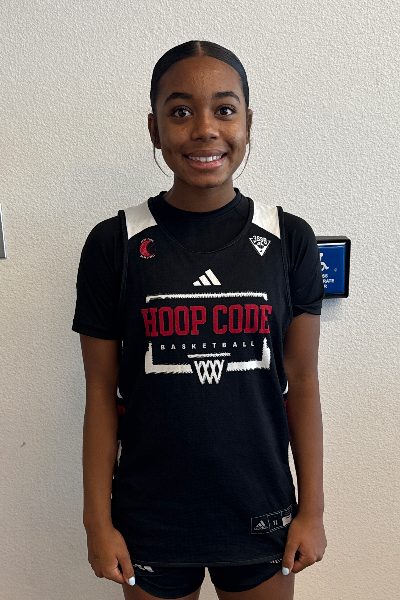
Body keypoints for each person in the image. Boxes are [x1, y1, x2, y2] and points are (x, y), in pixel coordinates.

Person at [72, 40, 327, 600]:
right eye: (181, 111)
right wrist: (97, 523)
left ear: (248, 123)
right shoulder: (114, 243)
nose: (205, 129)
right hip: (150, 518)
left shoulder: (289, 239)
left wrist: (312, 511)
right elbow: (100, 391)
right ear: (154, 128)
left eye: (224, 109)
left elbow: (303, 382)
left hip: (261, 511)